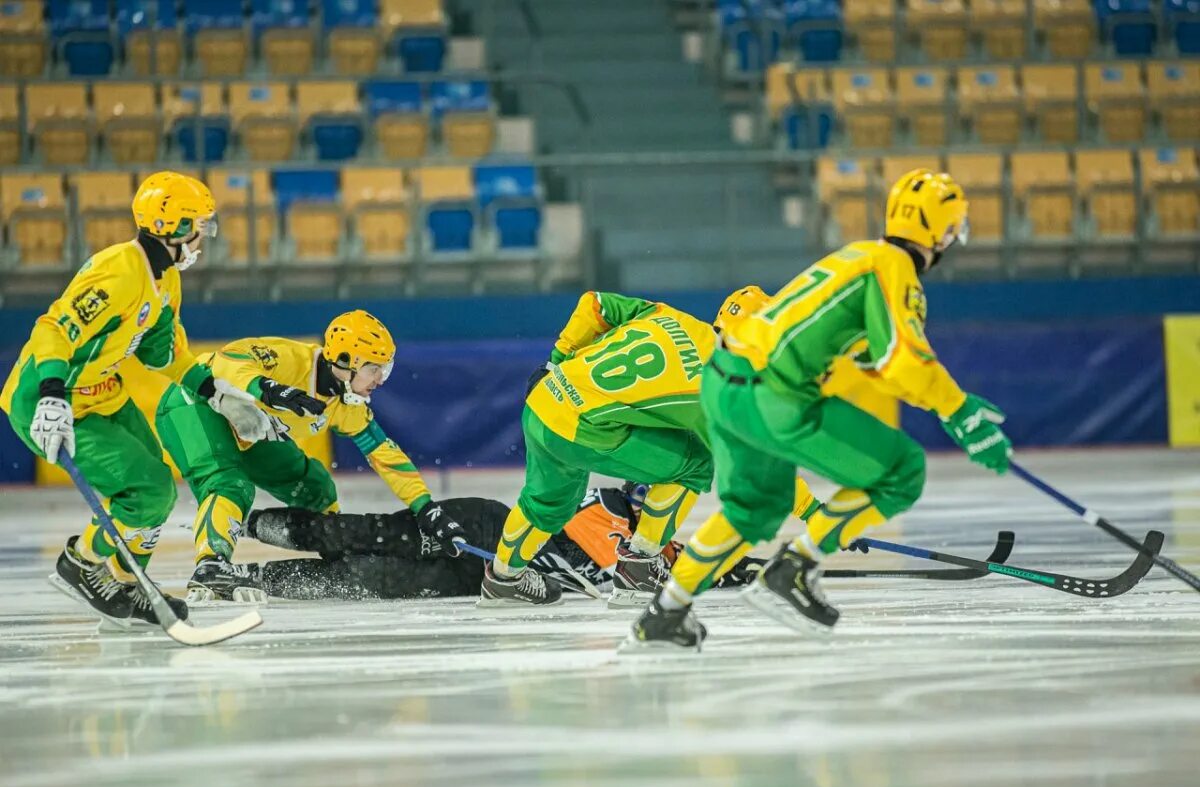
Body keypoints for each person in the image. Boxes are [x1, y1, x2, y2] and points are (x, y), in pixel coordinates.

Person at [627, 169, 1013, 651]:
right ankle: (794, 569)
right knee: (903, 470)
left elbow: (878, 361)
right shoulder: (894, 268)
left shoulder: (857, 255)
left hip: (723, 382)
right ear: (944, 230)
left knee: (754, 510)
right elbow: (903, 358)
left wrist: (953, 402)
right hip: (775, 391)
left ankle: (664, 614)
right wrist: (962, 415)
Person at [0, 172, 270, 627]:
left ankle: (127, 582)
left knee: (158, 489)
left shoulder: (165, 279)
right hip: (52, 399)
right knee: (148, 492)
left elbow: (163, 353)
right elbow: (53, 329)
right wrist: (49, 395)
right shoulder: (120, 271)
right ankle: (82, 563)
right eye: (198, 224)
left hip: (103, 394)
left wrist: (217, 394)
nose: (204, 234)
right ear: (173, 226)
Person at [481, 289, 819, 608]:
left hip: (545, 399)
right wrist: (814, 513)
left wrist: (556, 360)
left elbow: (594, 305)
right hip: (582, 430)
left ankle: (503, 579)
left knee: (548, 502)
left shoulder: (668, 315)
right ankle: (640, 565)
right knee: (699, 461)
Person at [154, 310, 467, 602]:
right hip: (194, 402)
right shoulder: (291, 358)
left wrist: (426, 509)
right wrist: (268, 388)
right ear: (346, 361)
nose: (381, 379)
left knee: (314, 486)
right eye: (374, 368)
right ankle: (211, 566)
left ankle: (335, 551)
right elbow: (224, 362)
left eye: (386, 368)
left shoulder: (346, 406)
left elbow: (386, 455)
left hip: (249, 430)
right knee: (229, 484)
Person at [240, 483, 767, 600]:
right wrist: (709, 569)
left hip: (482, 574)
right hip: (485, 531)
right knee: (356, 535)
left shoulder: (649, 537)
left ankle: (249, 581)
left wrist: (732, 565)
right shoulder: (602, 508)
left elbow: (674, 561)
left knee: (364, 580)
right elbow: (621, 572)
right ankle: (240, 525)